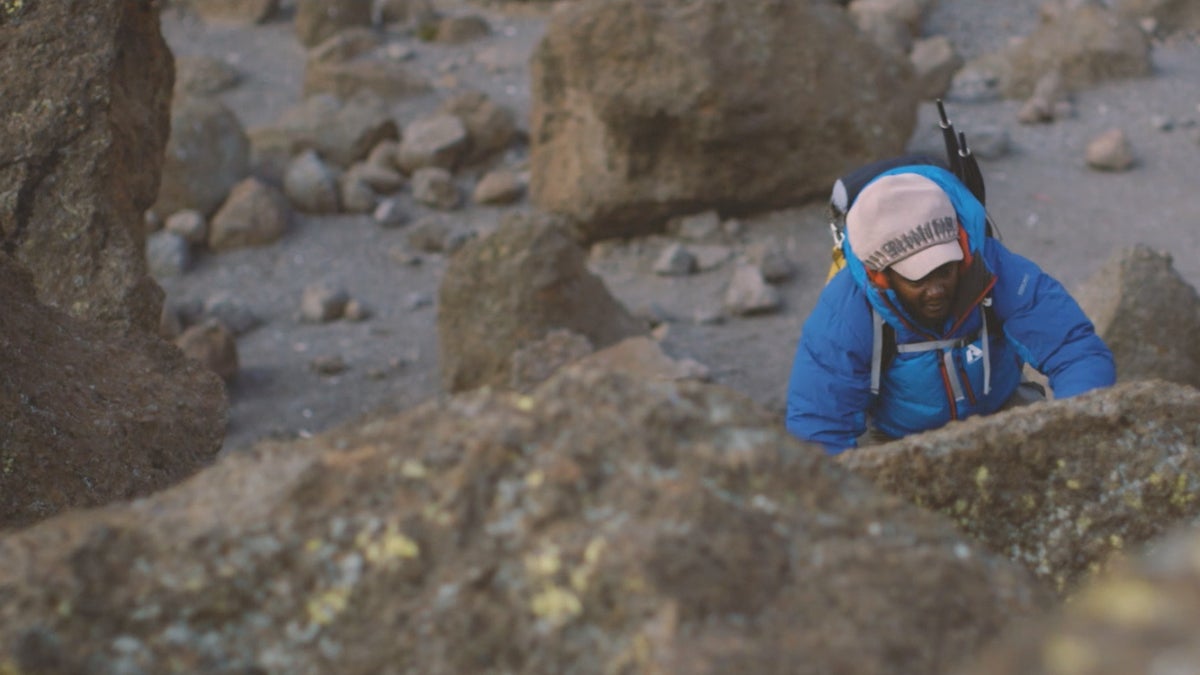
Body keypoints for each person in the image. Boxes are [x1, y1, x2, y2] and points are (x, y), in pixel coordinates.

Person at [785, 163, 1115, 453]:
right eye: (918, 278)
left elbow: (1074, 351)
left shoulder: (993, 269)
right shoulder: (845, 314)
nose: (937, 290)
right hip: (898, 439)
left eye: (945, 269)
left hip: (1001, 409)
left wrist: (1077, 432)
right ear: (882, 276)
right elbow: (818, 428)